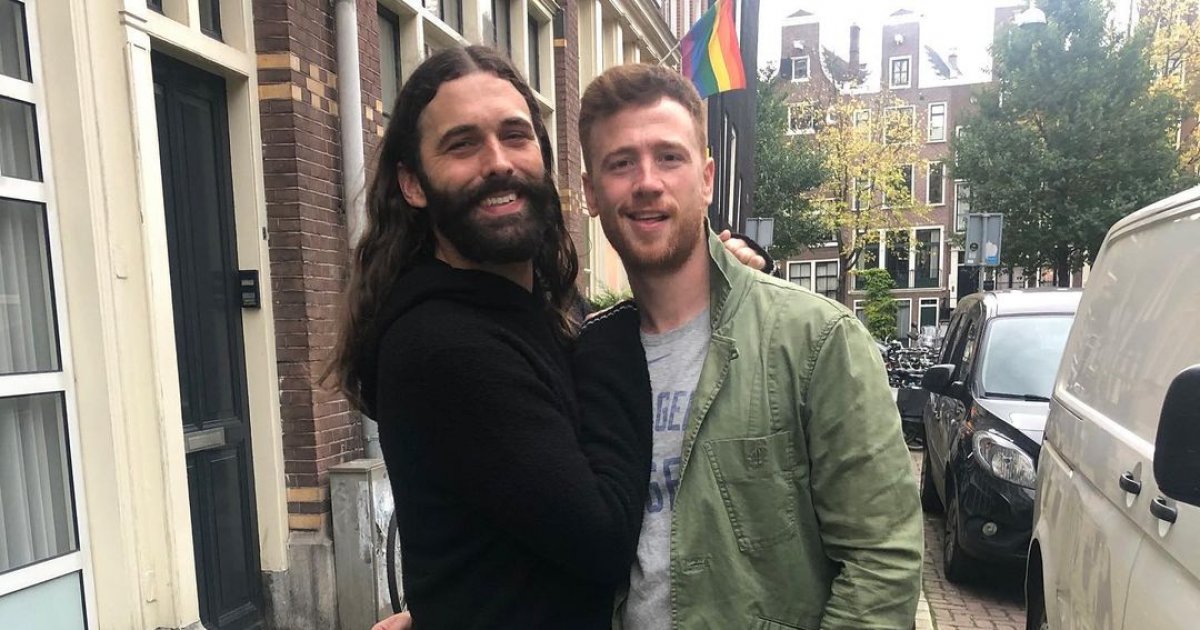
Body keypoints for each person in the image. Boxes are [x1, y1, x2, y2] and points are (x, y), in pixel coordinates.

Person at [578, 64, 924, 629]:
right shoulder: (587, 356)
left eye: (669, 156)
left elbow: (881, 563)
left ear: (707, 178)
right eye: (621, 163)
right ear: (591, 192)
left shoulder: (815, 339)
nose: (647, 181)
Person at [325, 46, 654, 630]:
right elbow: (601, 539)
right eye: (462, 144)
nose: (498, 162)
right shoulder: (447, 347)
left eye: (515, 135)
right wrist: (622, 332)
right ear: (413, 183)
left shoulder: (526, 308)